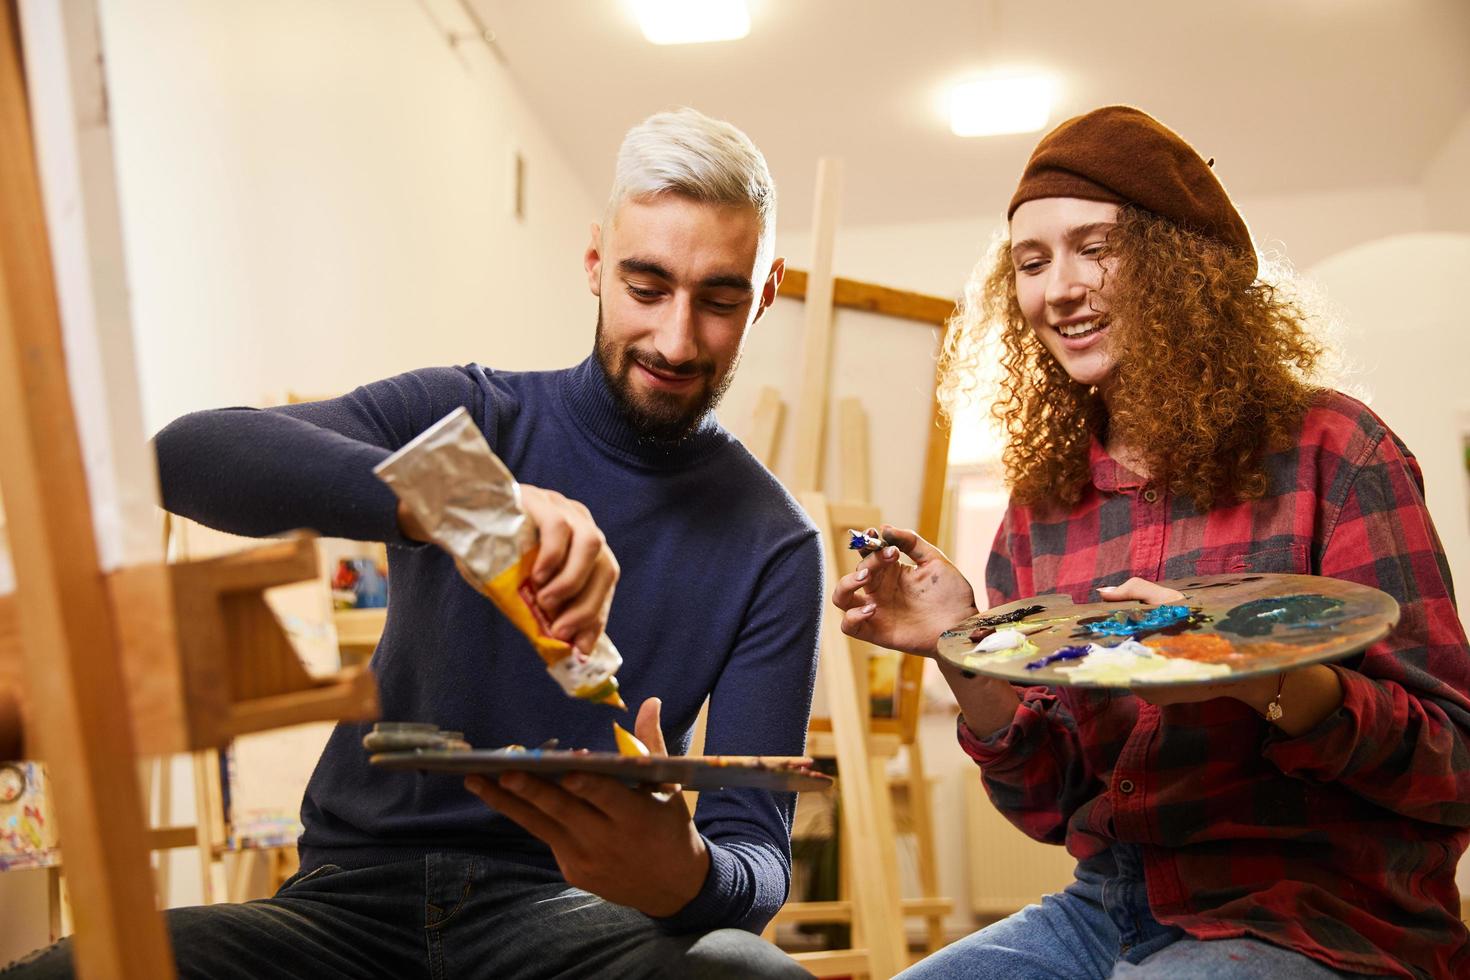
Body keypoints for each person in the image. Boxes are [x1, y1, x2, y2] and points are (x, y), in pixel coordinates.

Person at [5, 108, 820, 979]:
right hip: (343, 910)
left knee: (753, 974)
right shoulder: (473, 417)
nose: (676, 337)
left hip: (574, 926)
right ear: (594, 264)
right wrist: (465, 502)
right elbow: (184, 456)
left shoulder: (775, 543)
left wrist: (687, 875)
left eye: (721, 299)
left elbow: (757, 861)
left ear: (765, 291)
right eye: (646, 287)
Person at [835, 106, 1470, 979]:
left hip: (1318, 914)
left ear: (1180, 268)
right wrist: (962, 650)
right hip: (1107, 908)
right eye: (1032, 261)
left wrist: (1260, 679)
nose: (1059, 287)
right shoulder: (1042, 505)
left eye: (1095, 247)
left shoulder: (1336, 451)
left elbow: (1454, 762)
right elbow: (1050, 805)